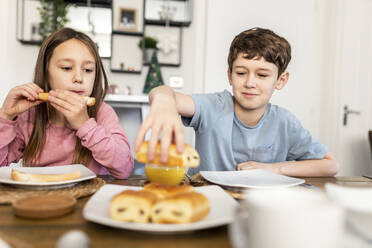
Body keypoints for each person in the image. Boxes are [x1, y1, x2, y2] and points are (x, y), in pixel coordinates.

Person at [134, 27, 339, 177]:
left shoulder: (285, 122)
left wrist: (274, 168)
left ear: (280, 80)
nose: (250, 83)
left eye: (262, 74)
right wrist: (163, 100)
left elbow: (330, 165)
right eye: (241, 72)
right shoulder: (213, 107)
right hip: (207, 202)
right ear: (230, 76)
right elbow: (164, 94)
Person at [0, 28, 133, 179]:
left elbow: (124, 168)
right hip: (39, 199)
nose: (78, 78)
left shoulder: (102, 112)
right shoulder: (29, 115)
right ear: (46, 72)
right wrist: (5, 116)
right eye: (67, 68)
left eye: (88, 70)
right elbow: (2, 167)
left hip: (88, 197)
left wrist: (85, 125)